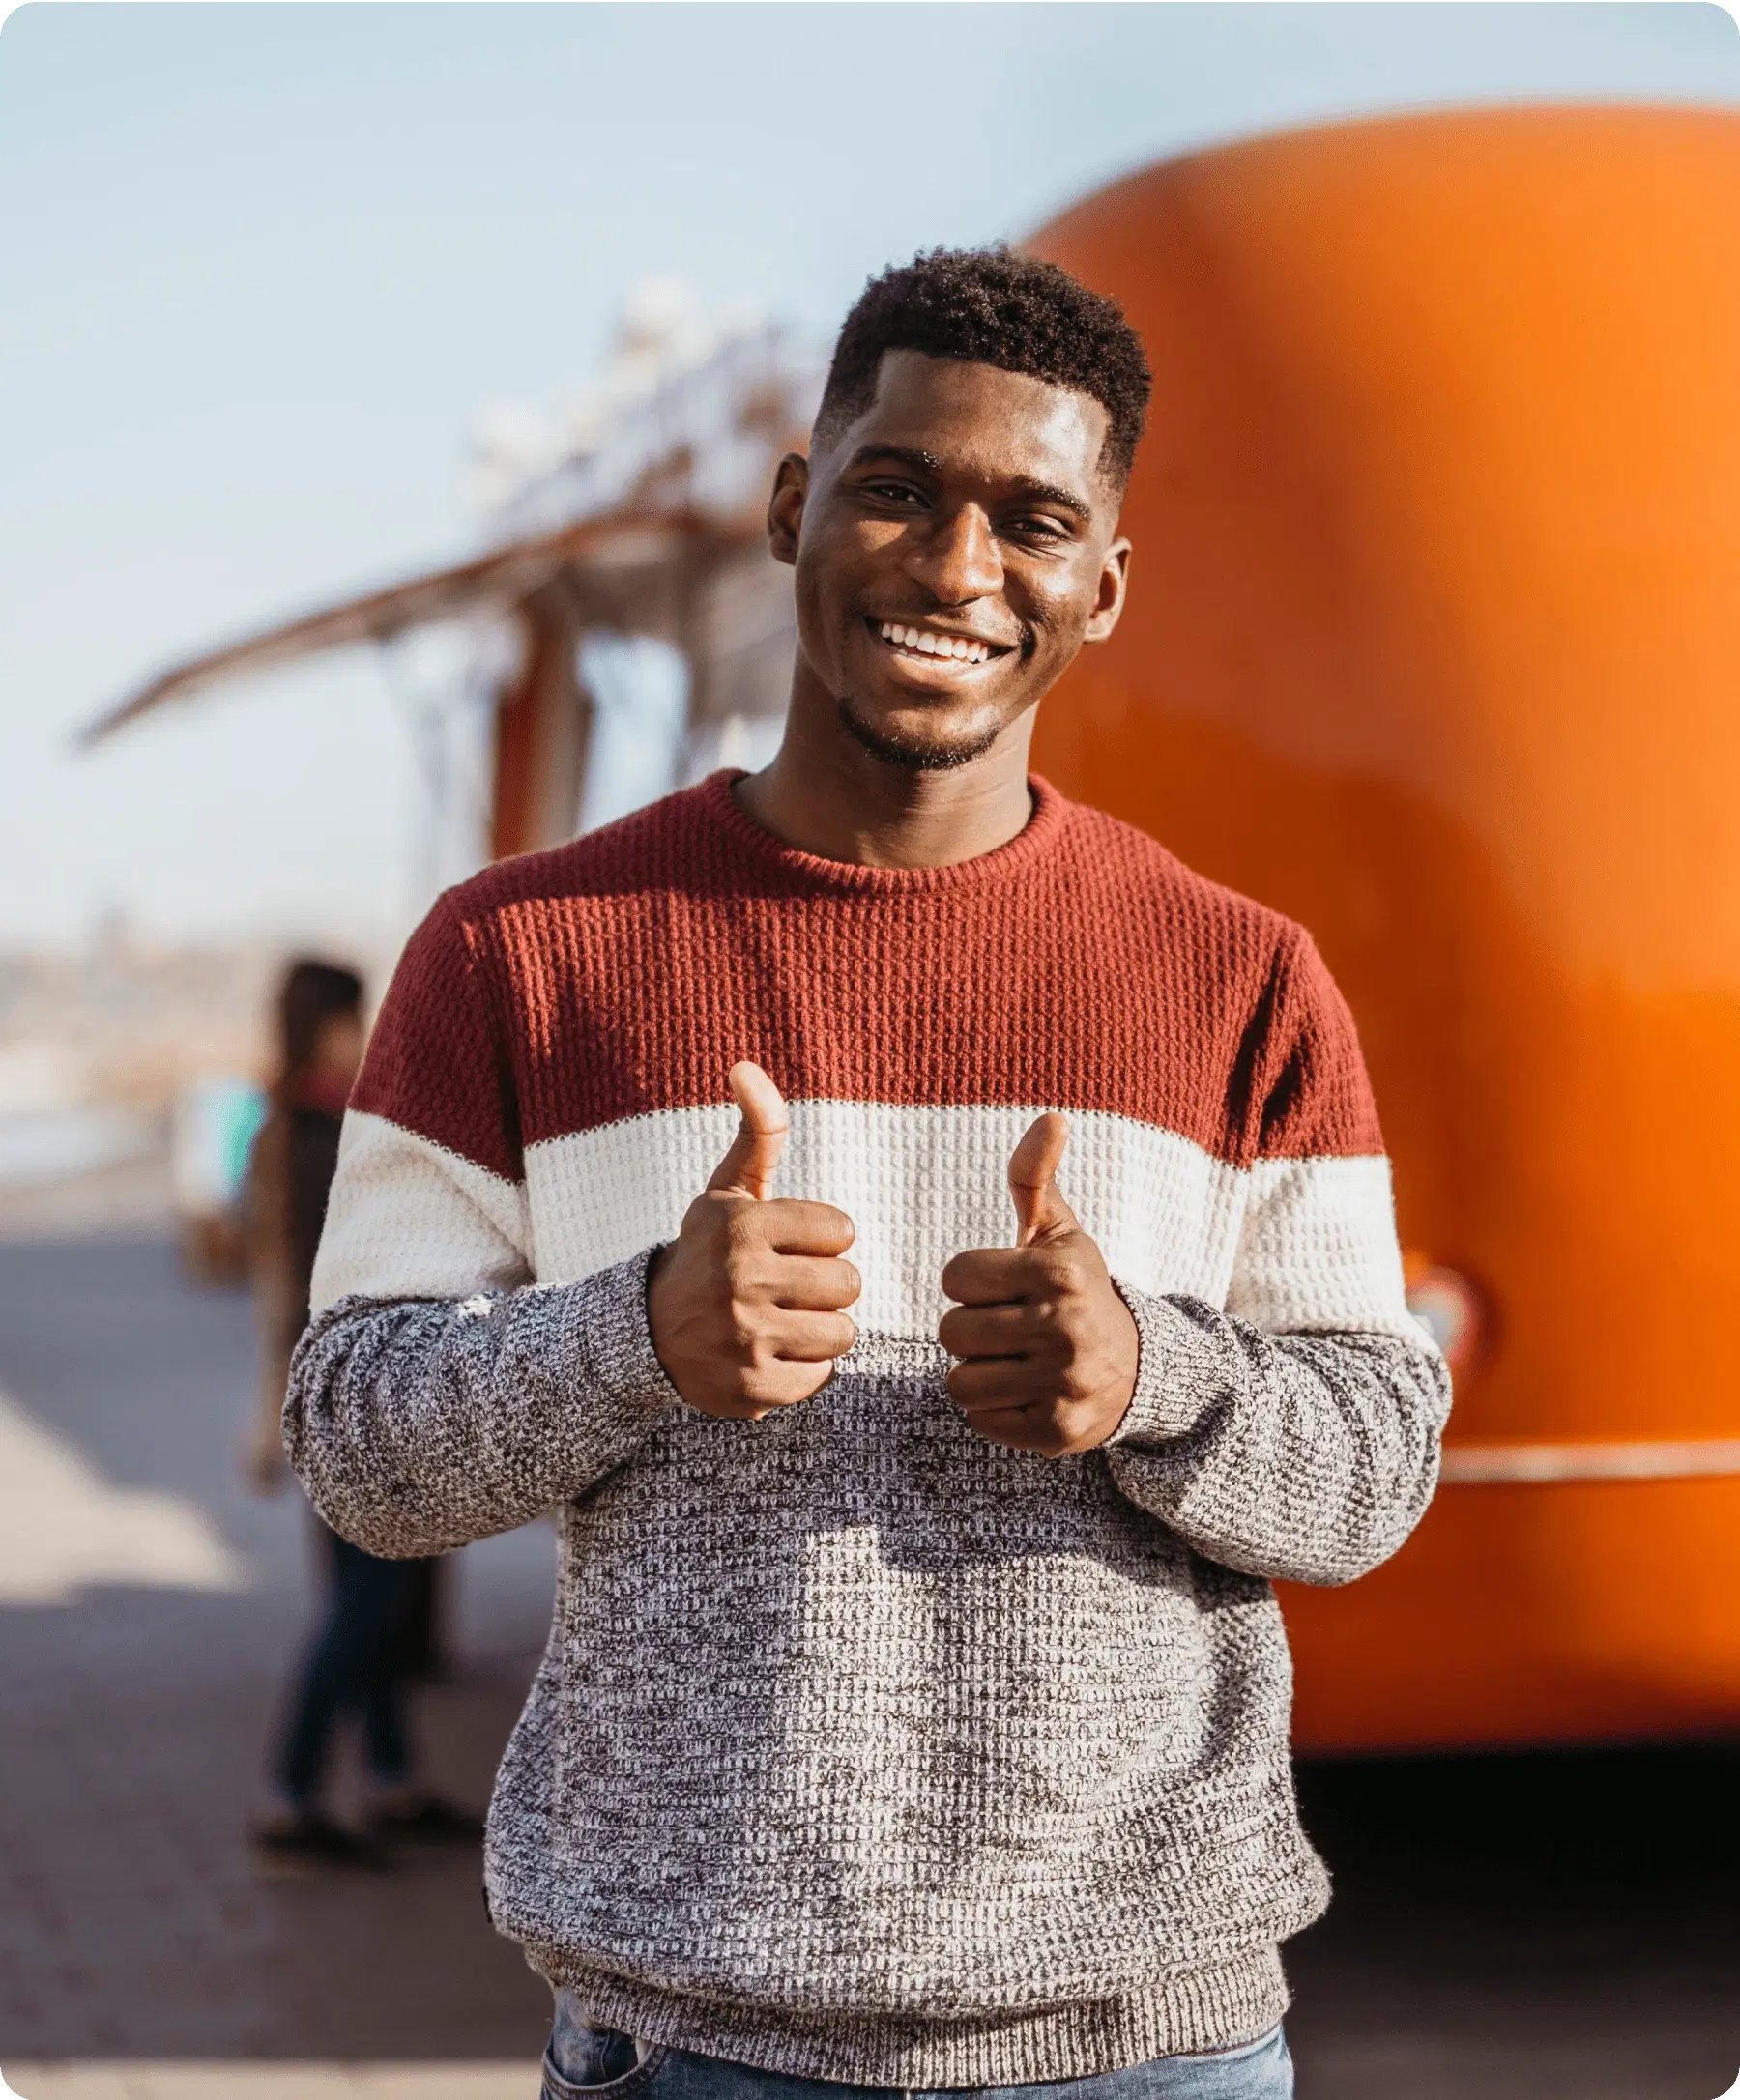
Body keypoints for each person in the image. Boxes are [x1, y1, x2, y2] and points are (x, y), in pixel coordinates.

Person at [285, 250, 1450, 2094]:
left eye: (1032, 521)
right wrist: (630, 1338)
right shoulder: (517, 954)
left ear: (1103, 583)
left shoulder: (1243, 978)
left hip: (1151, 2051)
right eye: (896, 488)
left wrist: (1153, 1373)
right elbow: (357, 1446)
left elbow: (1376, 1467)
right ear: (791, 507)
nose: (957, 568)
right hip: (688, 2046)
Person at [245, 957, 480, 1872]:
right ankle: (288, 1794)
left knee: (371, 1594)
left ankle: (390, 1778)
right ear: (324, 1028)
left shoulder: (290, 1127)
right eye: (355, 1019)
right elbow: (325, 1284)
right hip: (355, 1396)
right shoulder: (326, 1136)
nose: (366, 1034)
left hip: (328, 1393)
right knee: (369, 1599)